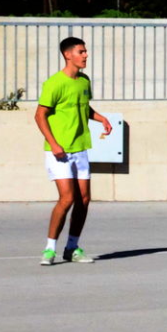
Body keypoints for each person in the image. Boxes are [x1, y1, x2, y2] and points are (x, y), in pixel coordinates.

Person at [34, 37, 111, 265]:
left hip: (80, 148)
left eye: (85, 51)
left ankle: (72, 247)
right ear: (68, 55)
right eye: (81, 51)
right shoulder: (55, 83)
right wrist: (54, 144)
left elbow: (83, 108)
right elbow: (39, 115)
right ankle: (49, 249)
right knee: (67, 198)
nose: (86, 55)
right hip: (59, 151)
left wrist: (101, 118)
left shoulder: (84, 81)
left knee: (84, 199)